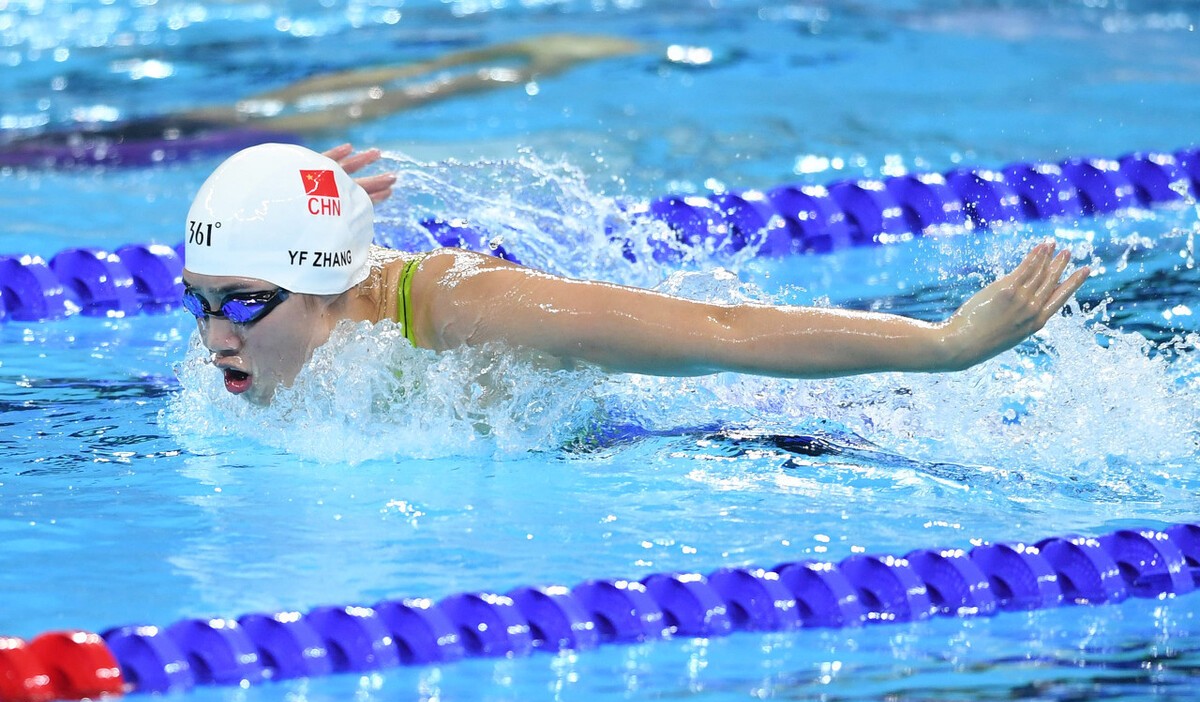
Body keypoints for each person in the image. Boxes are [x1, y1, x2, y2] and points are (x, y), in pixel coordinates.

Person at [181, 143, 1090, 406]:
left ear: (333, 285)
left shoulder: (469, 307)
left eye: (247, 304)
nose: (217, 336)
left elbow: (723, 334)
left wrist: (947, 345)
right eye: (203, 302)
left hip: (739, 428)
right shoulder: (288, 335)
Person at [0, 34, 645, 168]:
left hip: (122, 143)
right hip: (102, 133)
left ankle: (488, 71)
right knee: (269, 105)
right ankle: (473, 61)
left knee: (331, 115)